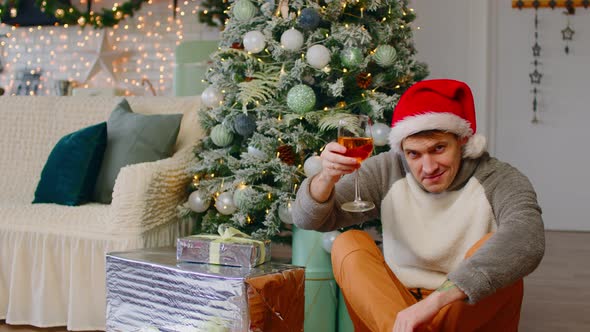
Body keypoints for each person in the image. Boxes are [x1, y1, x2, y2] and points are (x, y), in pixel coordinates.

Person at [292, 79, 545, 332]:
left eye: (438, 148)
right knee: (348, 244)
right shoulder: (386, 169)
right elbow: (309, 220)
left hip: (463, 307)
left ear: (463, 141)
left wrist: (436, 301)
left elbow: (528, 239)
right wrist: (326, 177)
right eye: (414, 154)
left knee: (497, 248)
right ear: (402, 150)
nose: (429, 167)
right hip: (395, 311)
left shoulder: (499, 178)